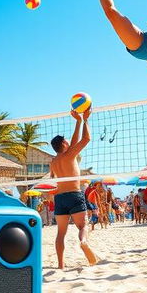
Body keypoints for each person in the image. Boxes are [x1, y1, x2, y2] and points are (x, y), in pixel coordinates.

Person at [49, 106, 97, 267]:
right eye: (67, 141)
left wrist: (77, 122)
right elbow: (86, 138)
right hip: (74, 195)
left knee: (60, 233)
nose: (70, 141)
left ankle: (60, 265)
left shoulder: (53, 161)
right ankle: (84, 242)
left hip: (60, 198)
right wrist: (85, 119)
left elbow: (74, 141)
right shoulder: (70, 155)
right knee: (84, 226)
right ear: (63, 143)